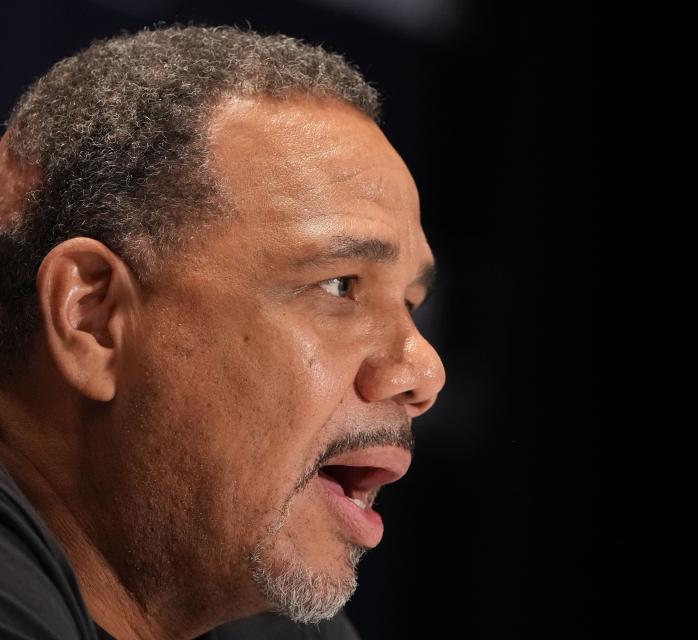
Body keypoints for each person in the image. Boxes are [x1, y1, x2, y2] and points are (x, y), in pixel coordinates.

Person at [0, 24, 446, 640]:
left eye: (412, 303)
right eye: (340, 285)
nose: (425, 373)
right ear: (93, 319)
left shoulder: (272, 626)